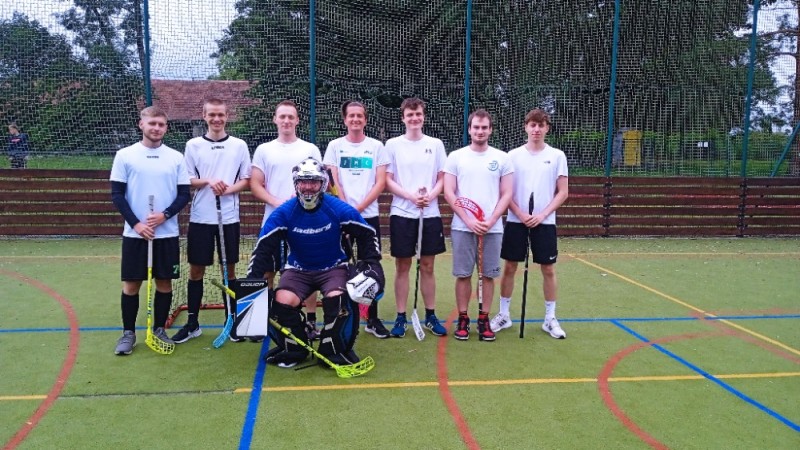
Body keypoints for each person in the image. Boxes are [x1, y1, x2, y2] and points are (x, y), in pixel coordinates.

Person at [247, 157, 385, 368]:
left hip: (334, 268)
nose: (308, 187)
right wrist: (251, 284)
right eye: (303, 181)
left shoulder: (337, 208)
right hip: (297, 270)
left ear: (323, 183)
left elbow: (367, 233)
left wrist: (372, 264)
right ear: (296, 183)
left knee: (338, 300)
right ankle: (295, 349)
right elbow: (263, 248)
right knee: (282, 302)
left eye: (314, 182)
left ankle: (333, 350)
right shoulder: (284, 212)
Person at [110, 106, 191, 355]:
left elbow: (184, 194)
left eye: (161, 124)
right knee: (131, 284)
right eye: (152, 123)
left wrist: (164, 215)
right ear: (141, 124)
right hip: (135, 234)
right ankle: (128, 333)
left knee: (164, 282)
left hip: (166, 233)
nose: (156, 128)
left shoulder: (176, 157)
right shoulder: (125, 155)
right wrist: (137, 224)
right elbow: (117, 194)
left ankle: (159, 329)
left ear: (166, 127)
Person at [171, 98, 252, 344]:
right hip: (201, 217)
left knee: (229, 269)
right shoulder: (193, 145)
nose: (216, 119)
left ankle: (232, 321)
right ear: (204, 115)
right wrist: (208, 181)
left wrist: (227, 190)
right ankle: (192, 323)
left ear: (227, 116)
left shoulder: (239, 145)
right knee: (196, 270)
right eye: (212, 115)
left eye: (221, 115)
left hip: (229, 218)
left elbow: (246, 179)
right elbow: (187, 179)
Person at [491, 109, 569, 339]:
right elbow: (505, 191)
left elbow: (563, 192)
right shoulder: (512, 156)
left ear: (547, 128)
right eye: (532, 125)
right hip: (517, 220)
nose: (536, 129)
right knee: (510, 267)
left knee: (548, 268)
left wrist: (542, 214)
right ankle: (504, 314)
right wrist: (520, 213)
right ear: (525, 127)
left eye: (540, 125)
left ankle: (550, 319)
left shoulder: (557, 156)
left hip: (545, 222)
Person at [250, 99, 323, 339]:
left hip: (305, 225)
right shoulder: (264, 150)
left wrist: (301, 200)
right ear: (275, 119)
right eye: (282, 116)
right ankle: (265, 322)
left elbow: (321, 184)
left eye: (291, 117)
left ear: (297, 120)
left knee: (307, 273)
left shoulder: (310, 149)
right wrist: (278, 203)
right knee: (266, 273)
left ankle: (310, 322)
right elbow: (255, 184)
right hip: (273, 223)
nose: (286, 121)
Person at [443, 109, 513, 341]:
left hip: (492, 229)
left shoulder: (502, 158)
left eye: (484, 127)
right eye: (476, 127)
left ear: (490, 130)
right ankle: (463, 318)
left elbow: (507, 193)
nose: (480, 131)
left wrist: (491, 220)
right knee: (463, 274)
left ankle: (484, 319)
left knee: (488, 275)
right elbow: (449, 192)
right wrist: (469, 220)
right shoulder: (456, 157)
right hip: (463, 227)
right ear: (469, 129)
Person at [323, 100, 391, 339]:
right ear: (345, 119)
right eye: (351, 115)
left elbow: (380, 183)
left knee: (371, 267)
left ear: (365, 119)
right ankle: (342, 317)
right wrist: (346, 211)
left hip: (368, 218)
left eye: (359, 116)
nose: (355, 119)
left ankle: (372, 319)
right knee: (339, 267)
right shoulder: (334, 146)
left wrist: (358, 209)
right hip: (341, 218)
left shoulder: (376, 146)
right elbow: (332, 182)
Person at [384, 98, 448, 337]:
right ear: (403, 118)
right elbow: (388, 179)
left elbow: (442, 177)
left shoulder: (435, 144)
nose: (414, 118)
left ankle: (430, 315)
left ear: (423, 116)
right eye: (410, 115)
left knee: (428, 266)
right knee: (403, 265)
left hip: (429, 213)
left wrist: (430, 195)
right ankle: (401, 317)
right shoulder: (392, 145)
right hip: (402, 213)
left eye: (418, 114)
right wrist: (410, 197)